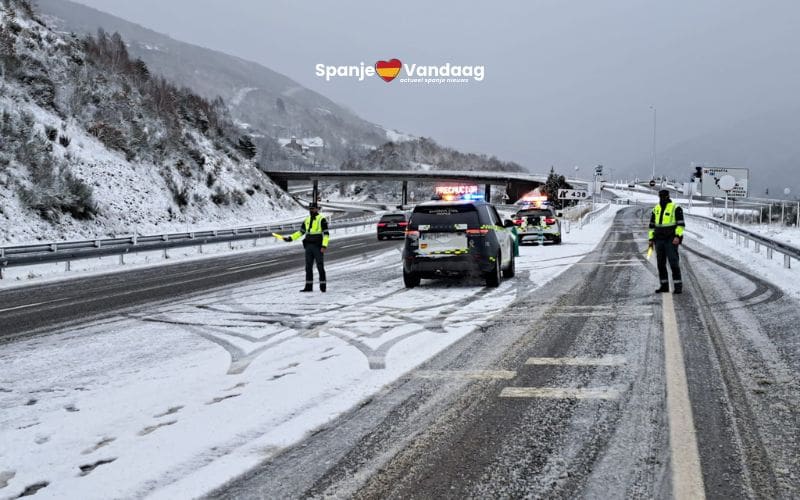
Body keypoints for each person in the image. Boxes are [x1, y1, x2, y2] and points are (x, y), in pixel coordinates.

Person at [284, 203, 330, 292]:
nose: (311, 210)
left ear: (317, 209)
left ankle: (323, 287)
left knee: (320, 266)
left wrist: (324, 245)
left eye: (313, 209)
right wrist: (291, 238)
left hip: (318, 246)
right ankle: (308, 287)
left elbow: (326, 234)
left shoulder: (322, 219)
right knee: (308, 267)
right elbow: (301, 232)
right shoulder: (307, 219)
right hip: (308, 246)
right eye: (310, 209)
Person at [648, 189, 685, 294]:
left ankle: (678, 287)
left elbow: (681, 224)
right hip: (658, 240)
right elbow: (651, 226)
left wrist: (677, 236)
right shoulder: (656, 208)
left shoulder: (675, 207)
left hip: (671, 239)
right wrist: (651, 239)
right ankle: (664, 286)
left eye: (664, 195)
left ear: (668, 196)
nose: (662, 197)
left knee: (673, 263)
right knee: (660, 264)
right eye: (660, 195)